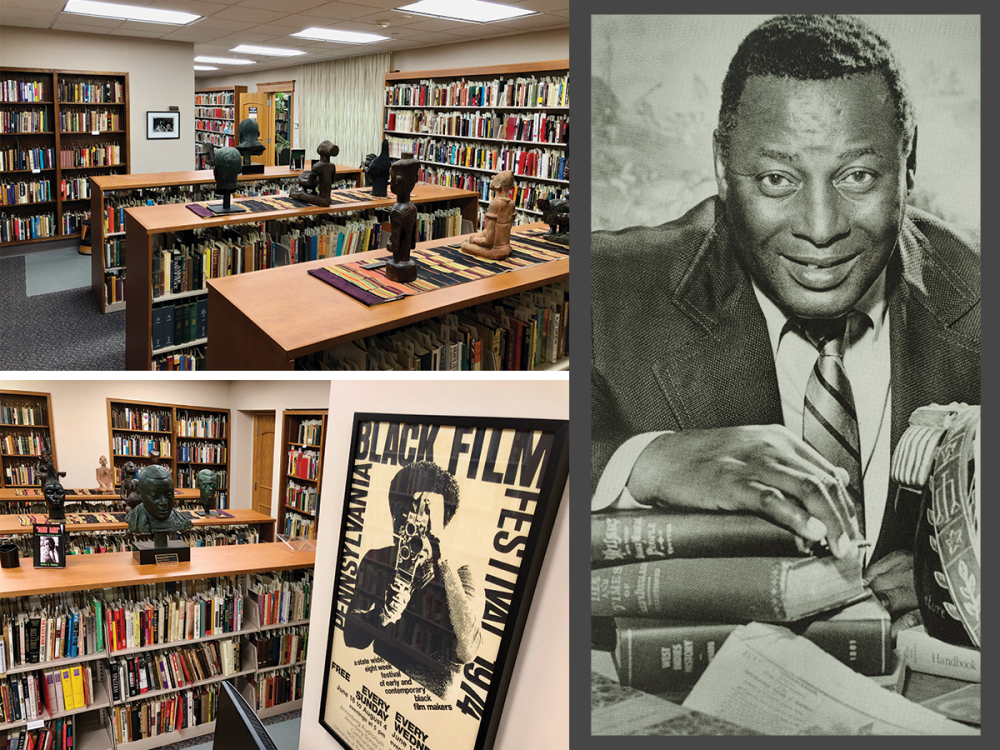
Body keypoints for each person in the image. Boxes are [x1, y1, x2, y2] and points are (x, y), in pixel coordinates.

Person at [591, 15, 979, 619]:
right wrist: (646, 460)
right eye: (777, 179)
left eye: (858, 176)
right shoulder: (603, 290)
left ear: (908, 161)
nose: (820, 228)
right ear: (722, 165)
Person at [343, 461, 482, 699]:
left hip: (429, 709)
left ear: (445, 521)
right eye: (402, 508)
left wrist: (441, 561)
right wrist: (382, 615)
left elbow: (469, 648)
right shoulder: (378, 559)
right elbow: (352, 638)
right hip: (379, 687)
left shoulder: (460, 574)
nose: (412, 520)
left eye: (426, 510)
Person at [125, 464, 192, 541]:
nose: (163, 502)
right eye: (155, 496)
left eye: (169, 495)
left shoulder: (180, 520)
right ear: (140, 494)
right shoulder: (133, 518)